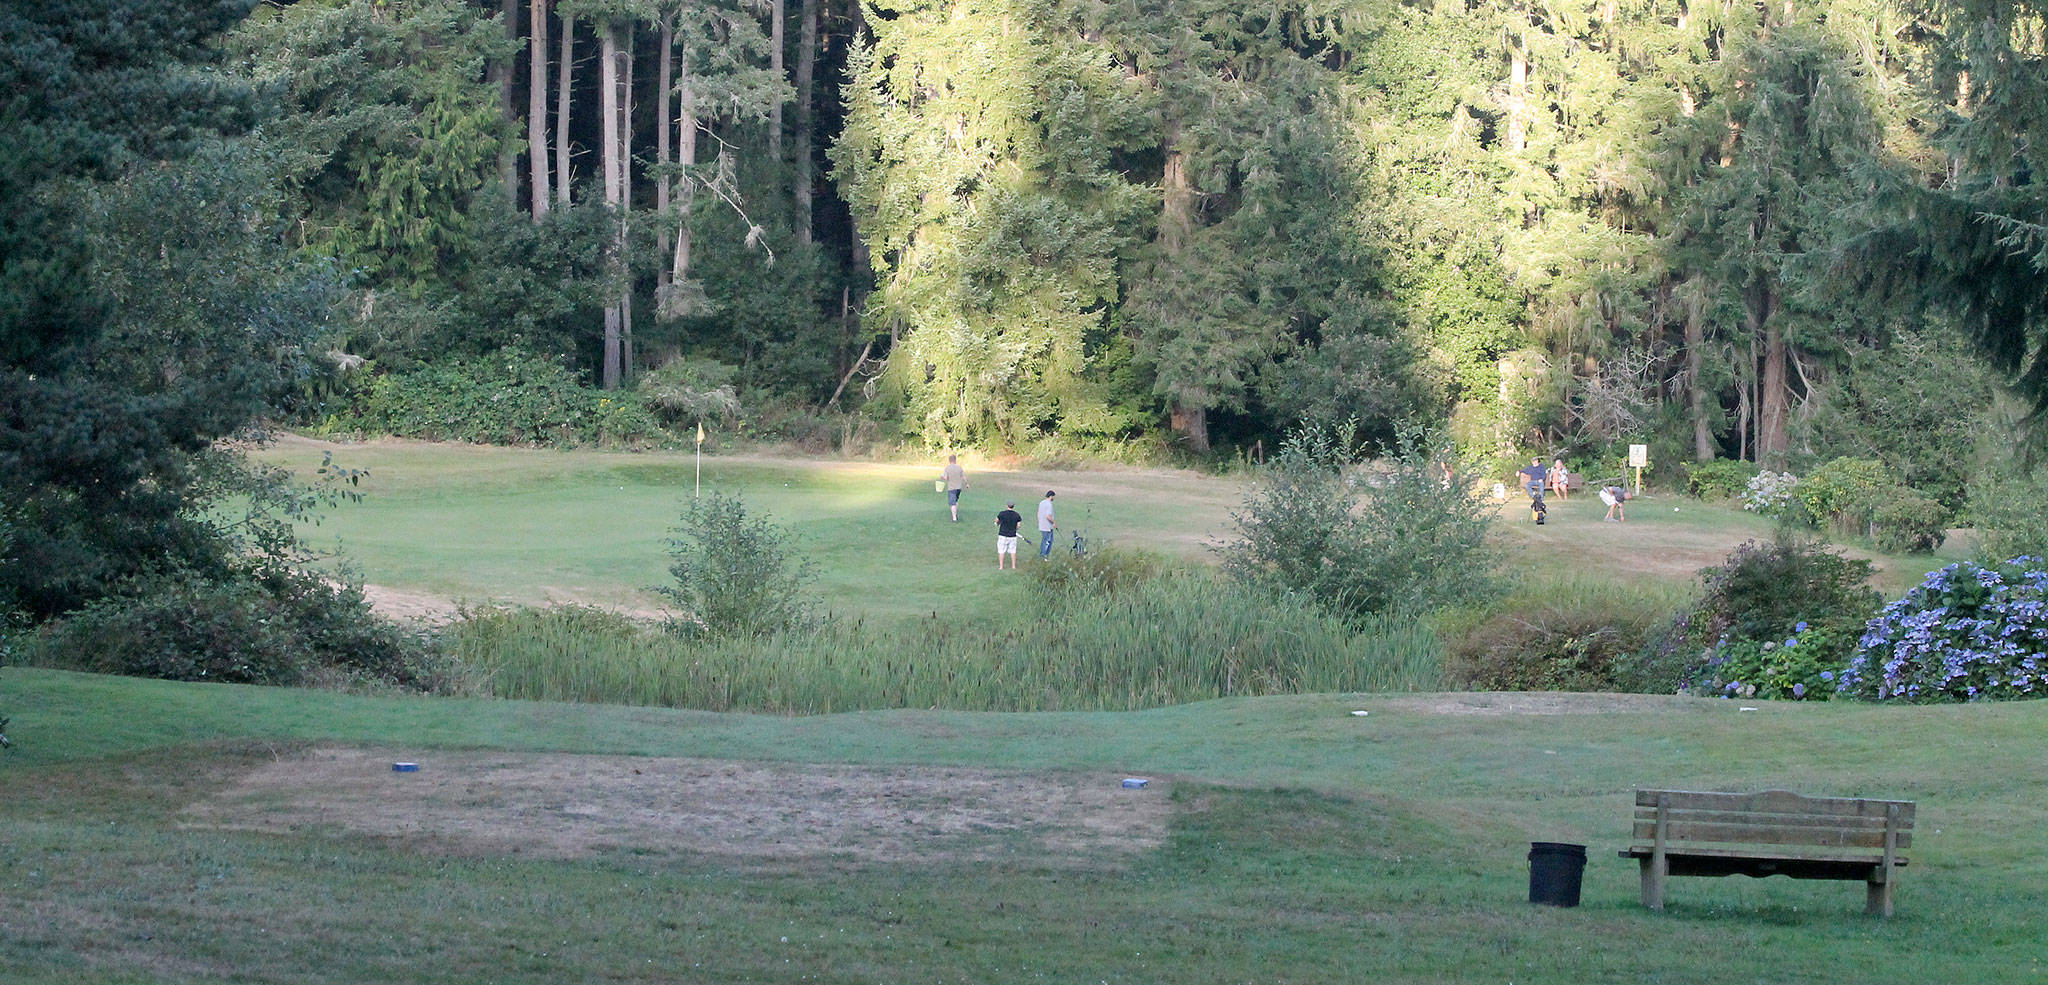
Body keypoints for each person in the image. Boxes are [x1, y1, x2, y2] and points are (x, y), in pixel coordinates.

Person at [994, 501, 1024, 569]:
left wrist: (997, 523)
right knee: (1013, 551)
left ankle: (1001, 567)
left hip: (1003, 535)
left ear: (1007, 506)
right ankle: (1013, 566)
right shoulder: (1017, 515)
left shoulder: (1002, 513)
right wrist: (1014, 529)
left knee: (1001, 551)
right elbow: (1019, 526)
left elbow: (996, 521)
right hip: (1013, 536)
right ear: (1013, 506)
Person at [941, 454, 969, 521]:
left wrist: (942, 477)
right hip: (959, 488)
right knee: (955, 501)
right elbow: (964, 476)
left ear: (949, 460)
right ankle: (955, 513)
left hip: (951, 488)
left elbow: (945, 477)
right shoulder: (959, 467)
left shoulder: (947, 468)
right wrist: (967, 483)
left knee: (952, 503)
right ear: (955, 460)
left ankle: (954, 517)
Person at [1036, 490, 1057, 559]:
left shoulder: (1041, 502)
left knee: (1044, 540)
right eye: (1053, 497)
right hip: (1048, 526)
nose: (1054, 498)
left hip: (1042, 525)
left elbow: (1038, 514)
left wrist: (1040, 522)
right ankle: (1044, 555)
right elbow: (1048, 516)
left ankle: (1042, 554)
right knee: (1048, 541)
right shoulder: (1049, 504)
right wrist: (1053, 522)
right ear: (1051, 496)